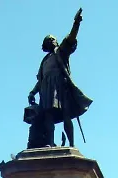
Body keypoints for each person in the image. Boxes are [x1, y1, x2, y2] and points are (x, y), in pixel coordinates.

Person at [27, 8, 92, 148]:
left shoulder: (61, 52)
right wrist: (33, 92)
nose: (52, 41)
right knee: (48, 116)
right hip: (47, 90)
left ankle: (72, 144)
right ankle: (49, 143)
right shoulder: (44, 61)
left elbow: (70, 39)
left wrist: (76, 23)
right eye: (49, 40)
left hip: (61, 87)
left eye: (53, 39)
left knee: (66, 115)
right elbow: (40, 81)